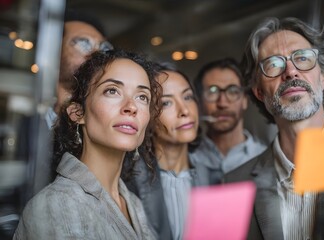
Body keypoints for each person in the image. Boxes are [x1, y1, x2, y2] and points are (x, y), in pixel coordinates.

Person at [13, 49, 162, 239]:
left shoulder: (133, 203)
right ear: (77, 113)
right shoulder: (55, 206)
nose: (132, 107)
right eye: (112, 91)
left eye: (142, 97)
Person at [224, 17, 324, 239]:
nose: (291, 72)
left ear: (322, 78)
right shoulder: (235, 185)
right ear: (259, 92)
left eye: (302, 58)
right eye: (274, 64)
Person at [124, 63, 208, 240]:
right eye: (166, 103)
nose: (184, 111)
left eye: (188, 97)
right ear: (147, 114)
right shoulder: (128, 182)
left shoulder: (217, 175)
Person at [192, 58, 267, 184]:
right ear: (199, 102)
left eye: (233, 91)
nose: (222, 103)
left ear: (244, 100)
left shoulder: (265, 158)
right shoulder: (187, 159)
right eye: (212, 92)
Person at [45, 9, 113, 128]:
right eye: (84, 44)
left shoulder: (105, 124)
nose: (96, 55)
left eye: (103, 49)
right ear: (55, 50)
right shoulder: (33, 117)